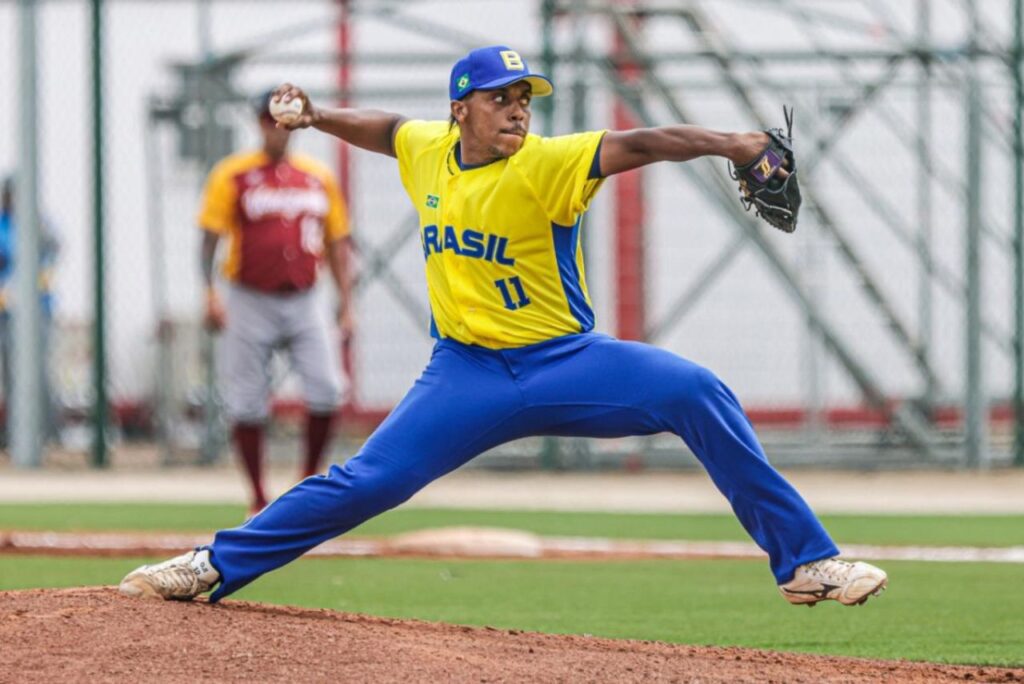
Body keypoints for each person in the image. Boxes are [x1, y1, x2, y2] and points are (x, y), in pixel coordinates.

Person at [121, 46, 887, 608]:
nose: (518, 108)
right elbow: (386, 129)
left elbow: (647, 143)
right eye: (499, 97)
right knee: (368, 481)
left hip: (566, 361)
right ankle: (213, 564)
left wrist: (738, 143)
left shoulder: (548, 163)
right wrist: (318, 116)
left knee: (695, 390)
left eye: (524, 96)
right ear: (461, 109)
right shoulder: (429, 150)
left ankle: (805, 561)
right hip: (465, 374)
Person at [197, 90, 354, 515]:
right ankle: (258, 496)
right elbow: (209, 238)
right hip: (248, 296)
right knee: (246, 398)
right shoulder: (233, 174)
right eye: (270, 120)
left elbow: (338, 242)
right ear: (259, 124)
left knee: (327, 388)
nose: (277, 129)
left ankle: (306, 484)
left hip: (306, 296)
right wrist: (209, 294)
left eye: (285, 122)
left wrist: (347, 301)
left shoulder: (317, 176)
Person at [0, 174, 61, 448]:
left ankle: (49, 433)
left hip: (38, 310)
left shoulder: (39, 225)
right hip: (7, 310)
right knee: (12, 371)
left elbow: (53, 253)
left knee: (41, 371)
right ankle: (17, 434)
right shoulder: (3, 225)